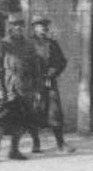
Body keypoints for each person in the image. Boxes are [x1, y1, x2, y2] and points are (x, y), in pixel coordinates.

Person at [0, 14, 41, 163]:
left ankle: (14, 150)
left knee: (21, 121)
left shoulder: (29, 45)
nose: (18, 28)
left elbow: (36, 69)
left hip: (25, 88)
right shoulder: (1, 45)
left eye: (21, 25)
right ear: (9, 27)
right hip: (7, 87)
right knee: (0, 120)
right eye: (15, 25)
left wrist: (36, 89)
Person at [28, 17, 75, 154]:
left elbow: (62, 61)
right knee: (34, 112)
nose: (44, 28)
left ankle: (60, 143)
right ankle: (35, 143)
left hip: (49, 82)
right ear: (34, 27)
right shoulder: (28, 45)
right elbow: (23, 64)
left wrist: (55, 69)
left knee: (55, 112)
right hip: (34, 84)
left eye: (45, 26)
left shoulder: (52, 44)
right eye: (40, 25)